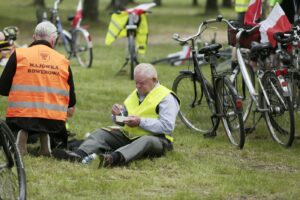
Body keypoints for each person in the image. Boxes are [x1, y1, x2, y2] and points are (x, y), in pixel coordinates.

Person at [52, 63, 180, 167]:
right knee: (102, 132)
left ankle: (112, 158)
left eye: (141, 83)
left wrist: (140, 121)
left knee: (145, 140)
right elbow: (123, 120)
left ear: (154, 80)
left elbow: (167, 127)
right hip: (130, 135)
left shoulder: (166, 97)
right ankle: (78, 154)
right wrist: (118, 115)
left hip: (158, 140)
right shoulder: (137, 92)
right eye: (136, 82)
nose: (138, 86)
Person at [0, 21, 76, 156]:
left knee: (21, 125)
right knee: (45, 124)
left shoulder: (19, 55)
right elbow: (71, 102)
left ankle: (21, 134)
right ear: (53, 40)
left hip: (21, 119)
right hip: (54, 123)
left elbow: (3, 89)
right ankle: (45, 136)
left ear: (34, 37)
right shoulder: (63, 61)